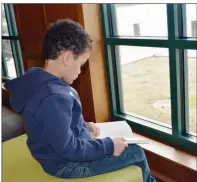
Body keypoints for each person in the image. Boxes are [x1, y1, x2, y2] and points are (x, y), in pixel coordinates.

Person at [5, 19, 156, 182]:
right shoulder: (54, 98)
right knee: (135, 152)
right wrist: (109, 145)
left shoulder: (37, 81)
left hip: (52, 153)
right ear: (67, 58)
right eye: (81, 64)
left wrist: (83, 126)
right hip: (64, 165)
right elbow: (69, 149)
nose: (79, 71)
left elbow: (54, 125)